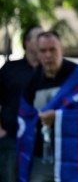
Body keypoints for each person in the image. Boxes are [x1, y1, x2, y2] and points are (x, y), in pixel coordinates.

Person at [18, 31, 78, 182]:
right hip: (41, 158)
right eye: (43, 51)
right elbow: (25, 117)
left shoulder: (76, 76)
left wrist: (58, 117)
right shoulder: (33, 81)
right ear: (38, 54)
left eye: (52, 50)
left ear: (62, 50)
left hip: (71, 160)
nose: (48, 55)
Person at [0, 26, 43, 182]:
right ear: (27, 42)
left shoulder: (48, 72)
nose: (41, 41)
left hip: (39, 144)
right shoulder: (10, 69)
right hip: (10, 139)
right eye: (37, 37)